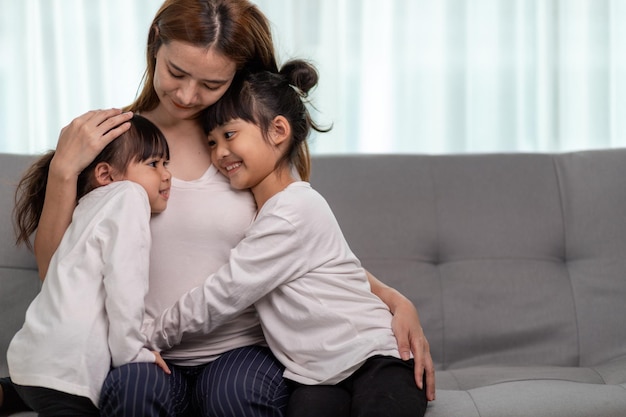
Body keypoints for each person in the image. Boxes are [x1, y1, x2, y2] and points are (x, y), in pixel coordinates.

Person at [0, 0, 434, 415]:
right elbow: (57, 273)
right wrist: (62, 170)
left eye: (211, 84)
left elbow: (306, 249)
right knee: (132, 395)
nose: (188, 95)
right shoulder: (119, 143)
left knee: (238, 400)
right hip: (149, 349)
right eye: (176, 72)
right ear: (155, 43)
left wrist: (395, 301)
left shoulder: (247, 144)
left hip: (238, 347)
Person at [143, 59, 429, 417]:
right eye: (211, 142)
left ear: (278, 131)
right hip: (318, 376)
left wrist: (147, 337)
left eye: (229, 135)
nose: (219, 153)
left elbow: (221, 294)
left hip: (374, 357)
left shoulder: (293, 210)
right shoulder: (267, 213)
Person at [6, 115, 172, 416]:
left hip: (30, 362)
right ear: (106, 174)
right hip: (68, 373)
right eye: (153, 164)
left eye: (166, 164)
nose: (167, 174)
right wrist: (133, 353)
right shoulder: (130, 196)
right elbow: (125, 284)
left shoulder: (87, 205)